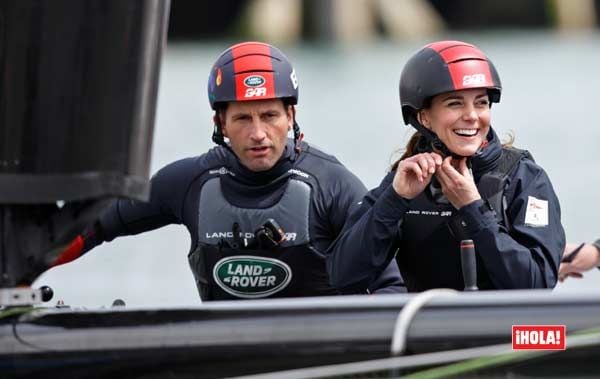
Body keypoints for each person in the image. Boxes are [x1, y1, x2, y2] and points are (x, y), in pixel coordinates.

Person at [49, 41, 405, 300]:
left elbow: (390, 285)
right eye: (242, 119)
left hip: (319, 357)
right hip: (228, 355)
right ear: (220, 122)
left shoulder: (333, 184)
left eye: (269, 116)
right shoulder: (188, 183)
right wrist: (21, 272)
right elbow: (93, 227)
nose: (258, 134)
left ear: (290, 117)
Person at [328, 40, 565, 292]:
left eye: (481, 102)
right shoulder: (406, 178)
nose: (472, 115)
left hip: (503, 331)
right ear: (424, 117)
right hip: (429, 330)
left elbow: (537, 284)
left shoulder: (525, 178)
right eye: (455, 103)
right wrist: (395, 200)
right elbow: (343, 277)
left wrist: (473, 209)